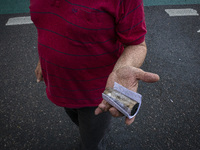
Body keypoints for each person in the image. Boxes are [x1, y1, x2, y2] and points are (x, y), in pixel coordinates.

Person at [30, 0, 160, 149]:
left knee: (92, 143)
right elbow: (48, 22)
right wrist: (43, 58)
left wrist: (123, 69)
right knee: (80, 123)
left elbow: (136, 44)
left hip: (98, 96)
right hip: (60, 86)